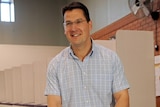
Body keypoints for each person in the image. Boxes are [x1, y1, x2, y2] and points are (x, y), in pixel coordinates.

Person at [45, 1, 130, 107]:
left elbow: (122, 96)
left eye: (79, 21)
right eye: (68, 23)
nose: (73, 28)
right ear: (64, 29)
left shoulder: (111, 59)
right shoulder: (55, 65)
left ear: (90, 25)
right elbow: (55, 104)